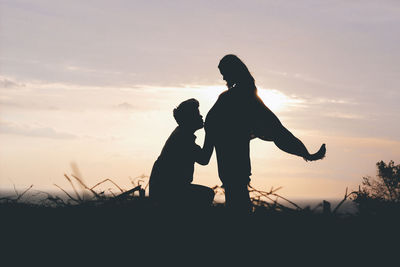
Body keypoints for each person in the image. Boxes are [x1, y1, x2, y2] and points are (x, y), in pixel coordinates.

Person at [201, 54, 326, 213]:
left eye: (224, 73)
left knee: (237, 200)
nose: (224, 77)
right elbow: (275, 127)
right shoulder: (239, 95)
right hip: (231, 156)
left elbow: (274, 127)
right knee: (237, 198)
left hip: (233, 157)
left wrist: (305, 153)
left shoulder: (242, 96)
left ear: (234, 71)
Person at [149, 98, 215, 207]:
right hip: (168, 192)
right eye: (197, 114)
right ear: (190, 118)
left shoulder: (181, 134)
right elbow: (204, 159)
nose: (201, 117)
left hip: (166, 190)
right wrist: (211, 133)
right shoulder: (183, 138)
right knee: (206, 194)